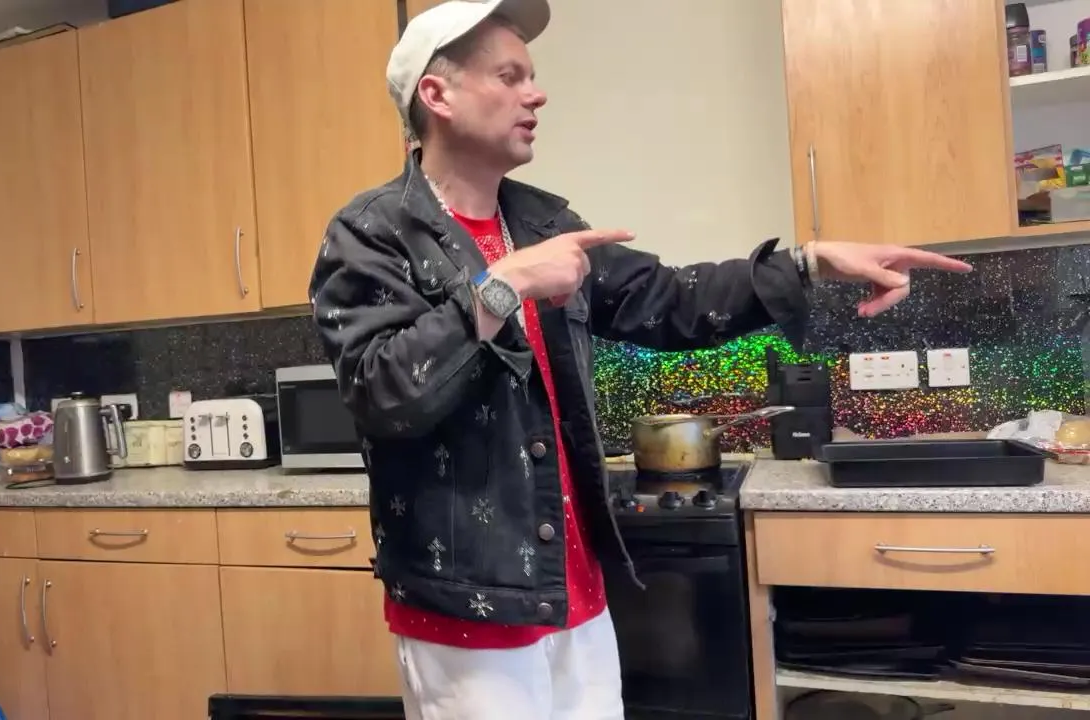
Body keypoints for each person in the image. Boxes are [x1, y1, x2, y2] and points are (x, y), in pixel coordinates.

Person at [307, 0, 973, 716]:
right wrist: (502, 288)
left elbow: (672, 300)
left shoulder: (543, 223)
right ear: (437, 96)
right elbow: (381, 395)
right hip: (467, 609)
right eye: (510, 76)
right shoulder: (371, 233)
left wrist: (809, 263)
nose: (537, 94)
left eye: (532, 76)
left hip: (577, 592)